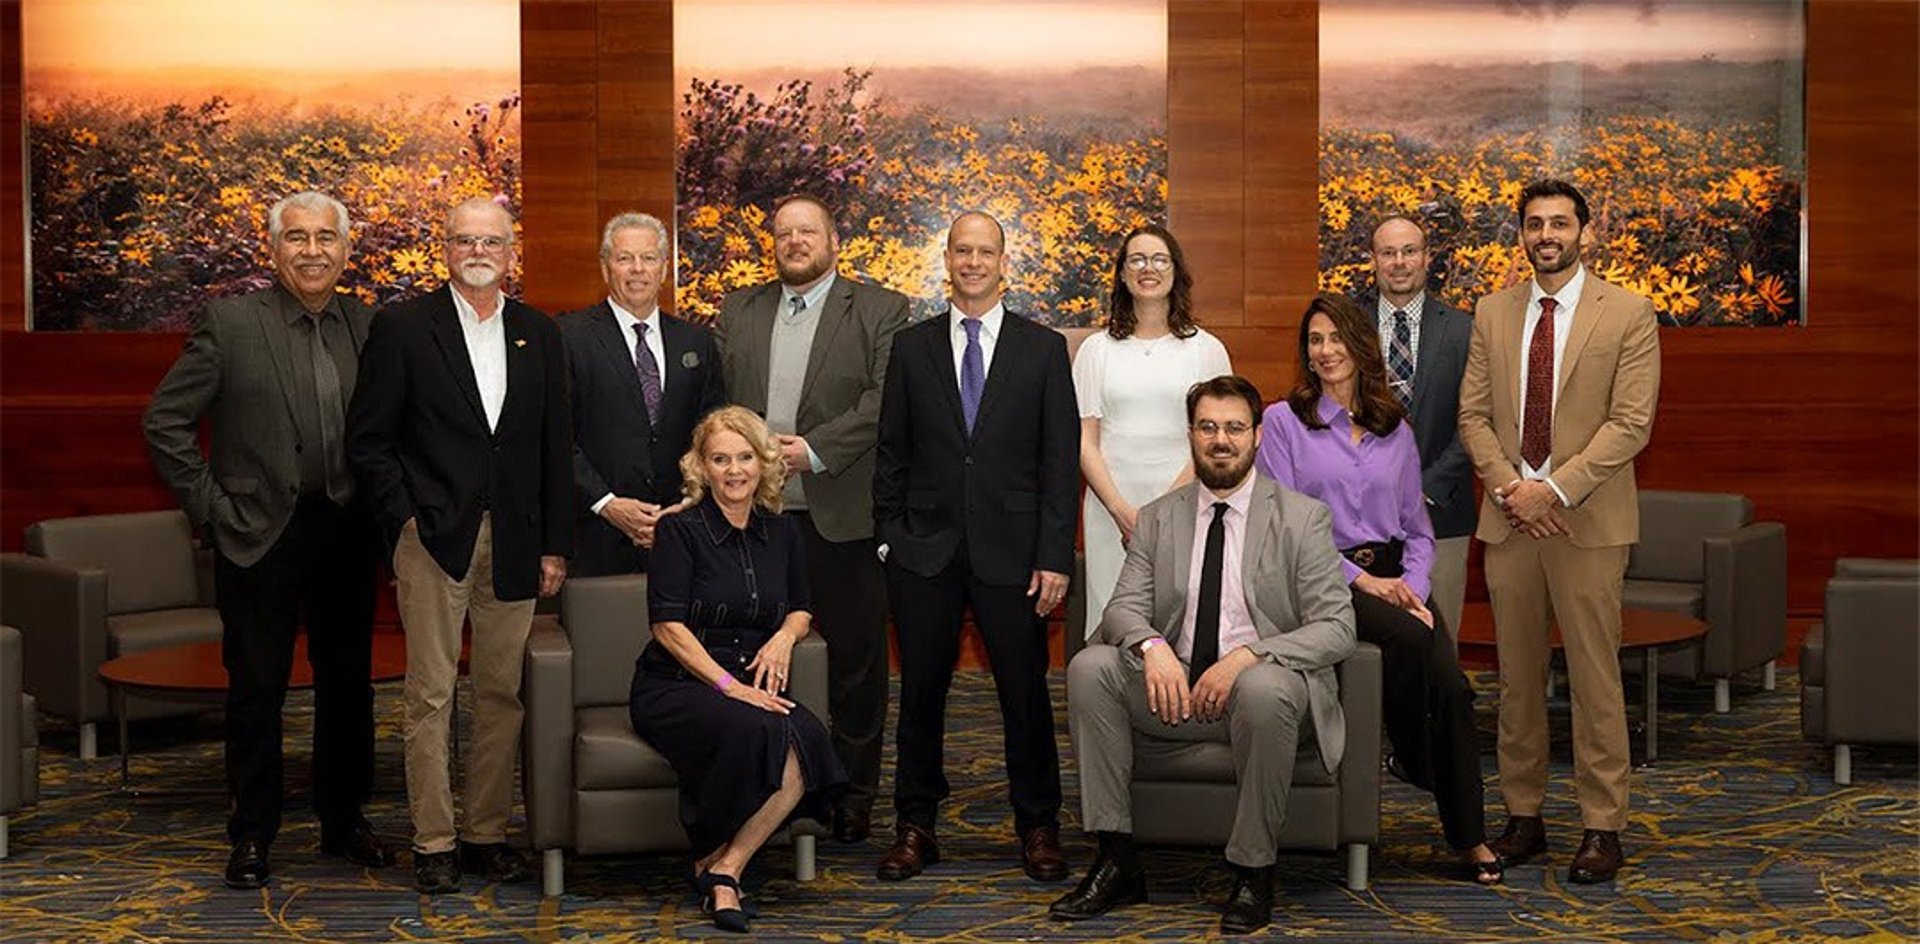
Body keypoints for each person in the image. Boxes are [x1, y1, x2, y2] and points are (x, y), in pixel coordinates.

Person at [143, 190, 395, 889]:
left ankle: (344, 822)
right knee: (257, 689)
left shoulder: (371, 325)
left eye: (326, 238)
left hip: (347, 530)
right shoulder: (229, 324)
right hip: (257, 532)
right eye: (297, 238)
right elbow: (165, 421)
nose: (313, 251)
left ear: (347, 250)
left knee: (350, 686)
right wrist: (211, 508)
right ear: (273, 248)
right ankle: (251, 834)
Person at [1051, 375, 1354, 935]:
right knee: (1091, 666)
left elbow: (1337, 628)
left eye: (1235, 428)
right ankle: (1117, 858)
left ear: (1257, 436)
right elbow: (1120, 609)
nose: (1221, 440)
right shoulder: (1160, 517)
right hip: (1174, 692)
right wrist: (1152, 645)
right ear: (1191, 435)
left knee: (1265, 687)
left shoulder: (1301, 518)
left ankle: (1252, 869)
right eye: (1208, 427)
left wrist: (1250, 657)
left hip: (1262, 695)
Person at [345, 196, 573, 894]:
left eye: (492, 241)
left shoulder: (539, 332)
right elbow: (369, 440)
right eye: (464, 239)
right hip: (432, 539)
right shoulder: (404, 327)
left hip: (517, 543)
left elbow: (552, 449)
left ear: (511, 252)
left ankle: (484, 835)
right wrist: (406, 521)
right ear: (444, 249)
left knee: (502, 694)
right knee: (431, 695)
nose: (478, 250)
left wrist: (555, 544)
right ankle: (435, 841)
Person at [1253, 294, 1501, 884]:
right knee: (1412, 642)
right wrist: (1366, 582)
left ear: (1362, 345)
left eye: (1337, 337)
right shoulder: (1285, 422)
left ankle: (1470, 839)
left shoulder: (1396, 427)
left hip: (1397, 576)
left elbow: (1418, 527)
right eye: (1315, 340)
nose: (1326, 350)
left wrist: (1412, 587)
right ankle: (1417, 758)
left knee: (1455, 690)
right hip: (1323, 577)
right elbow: (1285, 525)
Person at [1458, 178, 1661, 885]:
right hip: (1511, 521)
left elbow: (1631, 424)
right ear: (1521, 233)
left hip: (1587, 522)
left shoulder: (1629, 314)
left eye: (1560, 223)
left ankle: (1603, 826)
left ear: (1584, 231)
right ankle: (1524, 816)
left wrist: (1556, 488)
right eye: (1535, 224)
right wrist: (1515, 489)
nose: (1547, 234)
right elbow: (1473, 416)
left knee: (1595, 680)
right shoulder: (1492, 312)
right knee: (1517, 678)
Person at [872, 211, 1078, 883]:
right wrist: (888, 539)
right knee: (922, 694)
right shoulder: (912, 347)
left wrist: (1053, 554)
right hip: (923, 551)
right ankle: (915, 826)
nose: (973, 262)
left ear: (1003, 262)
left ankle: (1038, 826)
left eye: (985, 251)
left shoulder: (1043, 349)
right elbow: (892, 453)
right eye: (962, 250)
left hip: (1014, 554)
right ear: (947, 259)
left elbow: (1058, 461)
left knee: (1024, 695)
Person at [715, 194, 909, 843]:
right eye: (784, 232)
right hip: (755, 517)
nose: (795, 241)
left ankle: (851, 795)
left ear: (833, 240)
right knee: (758, 658)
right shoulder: (740, 309)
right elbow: (718, 403)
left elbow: (886, 402)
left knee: (856, 664)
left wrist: (812, 449)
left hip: (841, 516)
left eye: (808, 231)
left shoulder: (881, 309)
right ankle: (769, 784)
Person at [628, 406, 848, 934]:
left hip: (753, 676)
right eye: (720, 459)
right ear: (701, 467)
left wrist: (785, 636)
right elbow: (667, 628)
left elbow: (801, 605)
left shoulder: (783, 531)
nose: (734, 470)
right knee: (758, 726)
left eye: (745, 457)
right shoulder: (679, 530)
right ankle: (714, 862)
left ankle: (726, 865)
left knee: (808, 737)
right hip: (679, 682)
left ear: (764, 463)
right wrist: (729, 687)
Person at [1075, 223, 1232, 640]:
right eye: (1137, 260)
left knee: (1180, 625)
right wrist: (1122, 512)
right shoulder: (1096, 350)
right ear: (1123, 274)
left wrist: (1161, 510)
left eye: (1160, 259)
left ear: (1176, 272)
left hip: (1186, 505)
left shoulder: (1206, 349)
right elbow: (1085, 441)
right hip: (1111, 510)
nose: (1149, 268)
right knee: (1113, 624)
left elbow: (1218, 440)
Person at [558, 212, 726, 576]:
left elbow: (713, 432)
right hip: (595, 534)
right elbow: (556, 436)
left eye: (648, 258)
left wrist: (690, 501)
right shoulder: (567, 337)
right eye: (624, 258)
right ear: (606, 268)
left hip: (682, 531)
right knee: (603, 633)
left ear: (663, 268)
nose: (637, 269)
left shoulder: (696, 340)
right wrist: (607, 504)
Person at [1355, 216, 1474, 641]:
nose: (1399, 262)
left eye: (1409, 251)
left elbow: (1477, 421)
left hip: (1442, 512)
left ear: (1427, 258)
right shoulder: (1346, 326)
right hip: (1358, 521)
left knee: (1438, 641)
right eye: (1388, 253)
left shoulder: (1464, 330)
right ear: (1373, 260)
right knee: (1367, 648)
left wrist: (1422, 489)